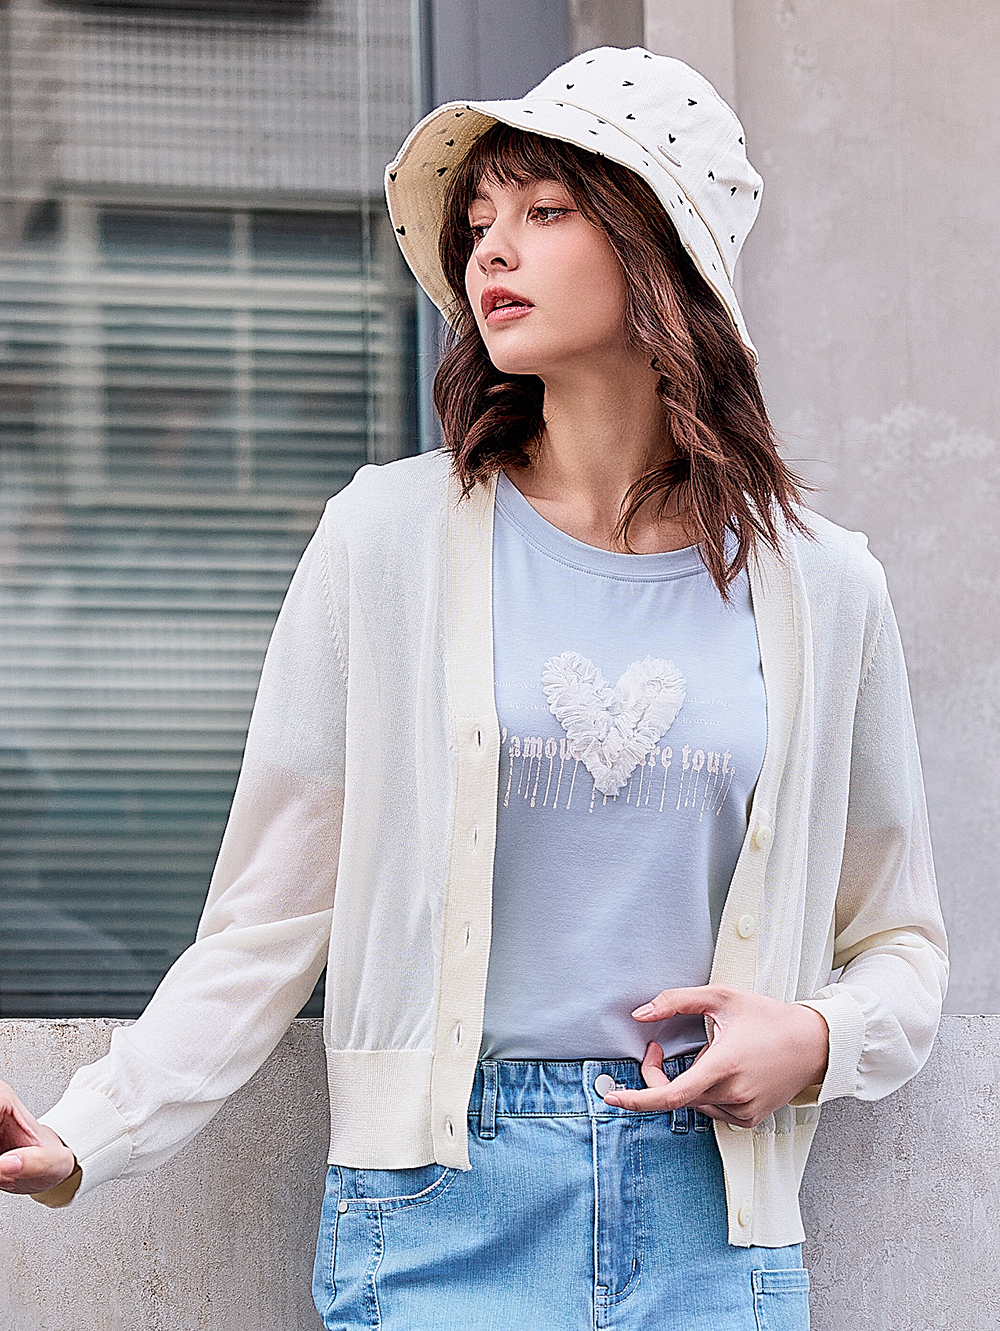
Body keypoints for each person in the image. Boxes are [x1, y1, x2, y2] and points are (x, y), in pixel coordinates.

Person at [0, 46, 947, 1331]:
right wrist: (87, 1130)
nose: (491, 248)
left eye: (544, 210)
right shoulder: (385, 540)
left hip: (715, 1223)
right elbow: (268, 919)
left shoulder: (827, 588)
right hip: (437, 1214)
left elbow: (901, 946)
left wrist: (816, 1040)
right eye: (480, 219)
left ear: (660, 246)